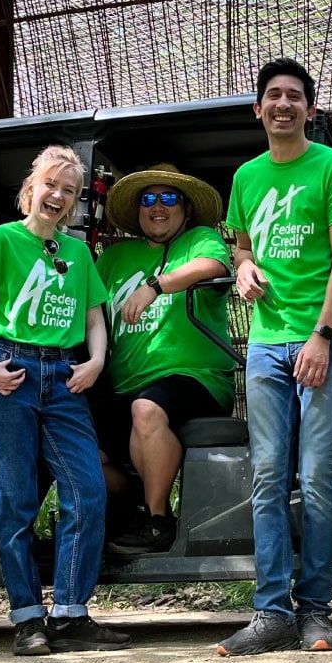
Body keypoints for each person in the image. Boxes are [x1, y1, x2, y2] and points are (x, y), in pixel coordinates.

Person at [219, 57, 332, 655]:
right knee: (267, 475)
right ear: (259, 109)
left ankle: (315, 610)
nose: (283, 105)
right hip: (264, 343)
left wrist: (323, 336)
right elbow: (243, 244)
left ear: (310, 109)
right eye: (273, 96)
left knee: (317, 476)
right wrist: (245, 267)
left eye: (295, 97)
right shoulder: (247, 176)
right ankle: (271, 612)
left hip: (323, 341)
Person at [0, 144, 131, 655]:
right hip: (8, 369)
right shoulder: (1, 240)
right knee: (14, 500)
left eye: (69, 190)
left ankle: (70, 614)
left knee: (87, 489)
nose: (58, 195)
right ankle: (26, 619)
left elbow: (95, 319)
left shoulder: (78, 253)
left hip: (63, 375)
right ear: (30, 189)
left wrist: (96, 361)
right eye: (50, 184)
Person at [94, 164, 235, 554]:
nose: (158, 206)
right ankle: (131, 503)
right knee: (74, 445)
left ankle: (158, 520)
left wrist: (155, 286)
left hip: (195, 378)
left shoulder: (200, 240)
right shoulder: (112, 258)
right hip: (121, 386)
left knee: (147, 408)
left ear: (186, 208)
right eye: (148, 198)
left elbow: (214, 268)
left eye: (169, 197)